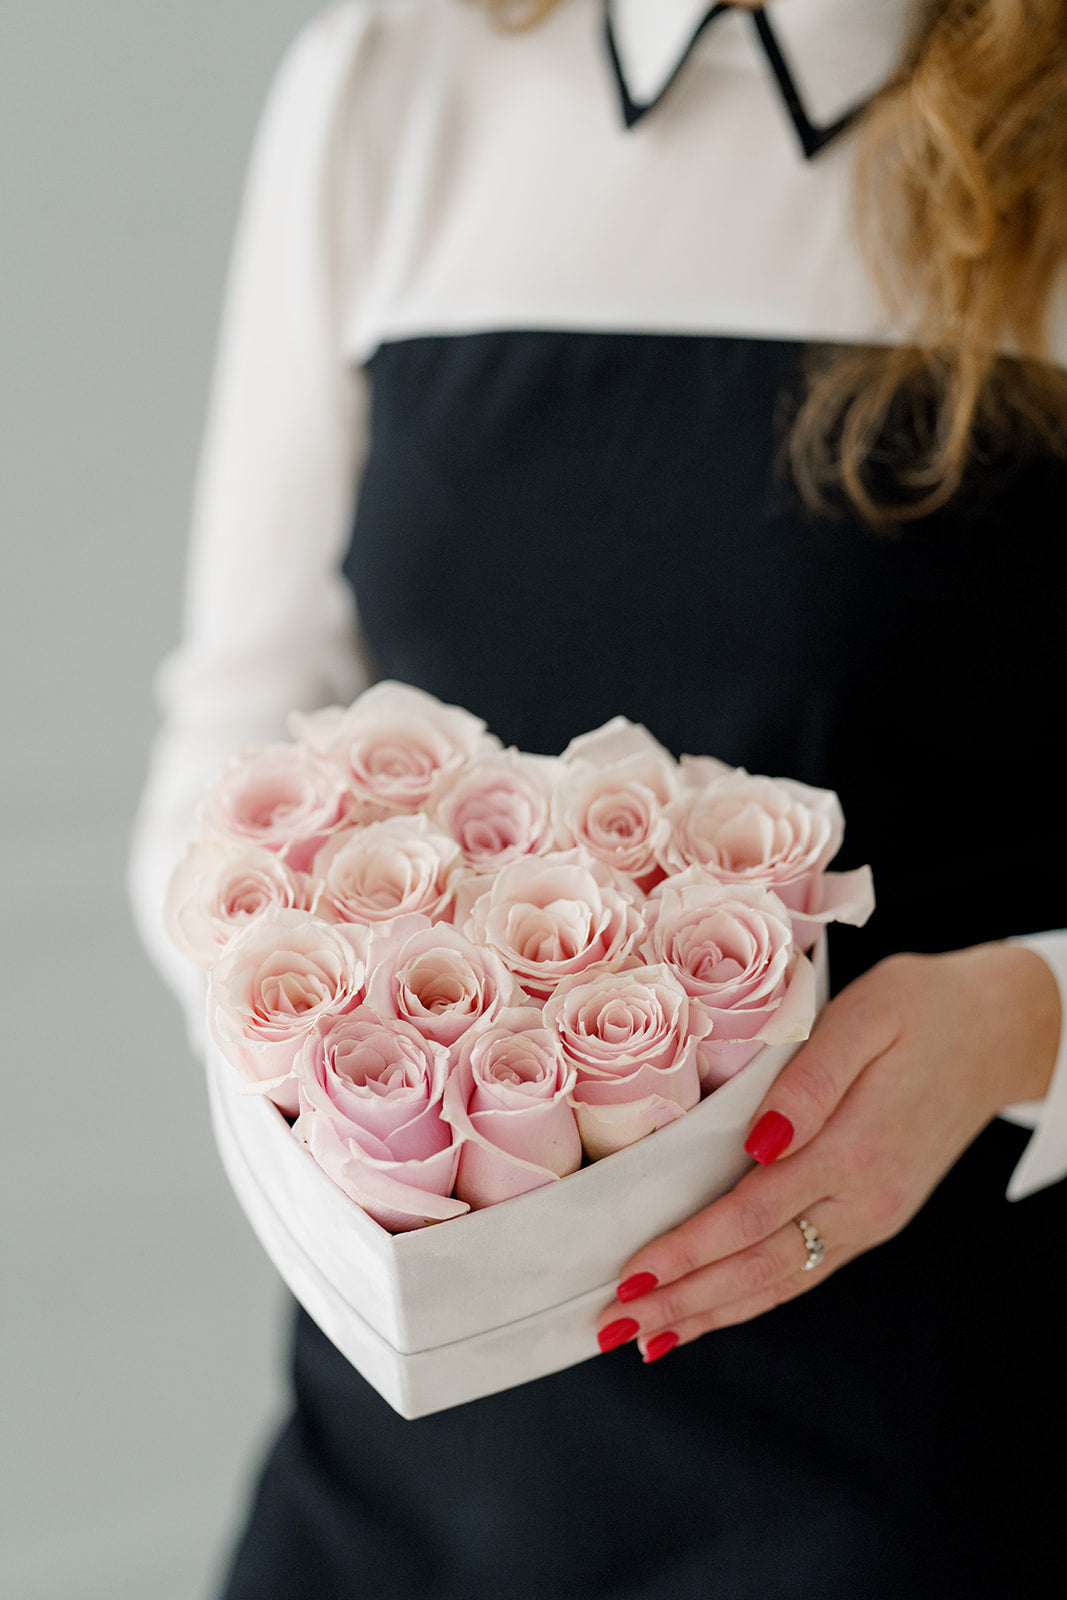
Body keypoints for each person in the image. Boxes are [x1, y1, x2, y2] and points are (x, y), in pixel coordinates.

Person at [129, 2, 1067, 1595]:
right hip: (402, 1492)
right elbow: (233, 724)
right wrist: (339, 1127)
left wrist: (1026, 1017)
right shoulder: (390, 82)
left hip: (918, 1472)